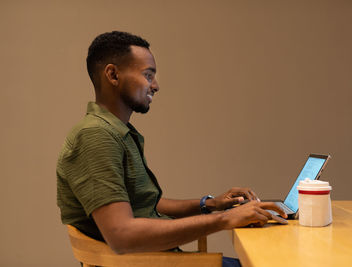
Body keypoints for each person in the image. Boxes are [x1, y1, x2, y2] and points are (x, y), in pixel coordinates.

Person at [56, 31, 287, 266]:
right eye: (148, 75)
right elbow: (121, 235)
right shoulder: (96, 136)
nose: (155, 86)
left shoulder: (117, 133)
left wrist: (211, 204)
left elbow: (146, 203)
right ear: (113, 75)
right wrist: (225, 219)